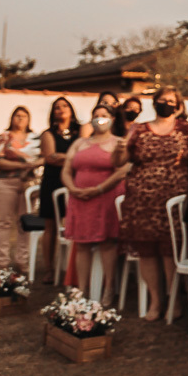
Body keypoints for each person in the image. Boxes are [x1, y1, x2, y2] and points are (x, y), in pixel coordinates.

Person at [114, 87, 188, 320]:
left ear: (178, 105)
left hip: (173, 200)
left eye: (170, 100)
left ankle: (174, 299)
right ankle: (155, 300)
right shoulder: (138, 129)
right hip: (142, 200)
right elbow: (119, 161)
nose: (166, 103)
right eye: (162, 100)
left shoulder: (187, 129)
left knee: (170, 251)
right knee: (147, 251)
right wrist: (119, 149)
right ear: (154, 102)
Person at [61, 103, 131, 302]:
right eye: (96, 115)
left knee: (107, 244)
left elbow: (122, 171)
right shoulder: (80, 143)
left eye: (104, 115)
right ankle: (82, 290)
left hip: (105, 198)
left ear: (112, 119)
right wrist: (72, 188)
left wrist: (99, 189)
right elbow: (66, 170)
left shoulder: (118, 143)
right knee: (81, 245)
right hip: (80, 199)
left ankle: (108, 288)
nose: (99, 118)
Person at [38, 96, 86, 283]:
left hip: (76, 180)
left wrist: (63, 156)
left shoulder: (80, 131)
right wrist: (75, 157)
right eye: (57, 107)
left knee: (75, 223)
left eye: (65, 106)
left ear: (71, 110)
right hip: (53, 182)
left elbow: (82, 153)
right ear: (53, 113)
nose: (61, 109)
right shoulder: (47, 134)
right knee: (50, 226)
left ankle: (72, 269)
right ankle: (49, 269)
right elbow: (50, 157)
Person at [0, 106, 42, 272]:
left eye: (23, 116)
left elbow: (45, 157)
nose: (20, 119)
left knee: (25, 223)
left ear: (29, 119)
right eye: (17, 116)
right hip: (6, 183)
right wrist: (23, 165)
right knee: (3, 222)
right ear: (11, 118)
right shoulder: (3, 137)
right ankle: (2, 262)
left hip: (28, 185)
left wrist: (35, 165)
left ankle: (22, 260)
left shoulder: (36, 138)